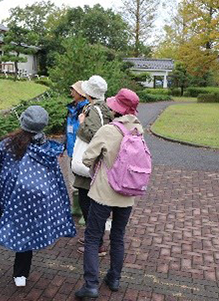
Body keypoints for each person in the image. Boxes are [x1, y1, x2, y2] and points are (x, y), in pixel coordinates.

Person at [0, 106, 76, 289]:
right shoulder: (47, 149)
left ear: (23, 122)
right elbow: (54, 179)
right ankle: (20, 275)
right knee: (27, 232)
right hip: (31, 200)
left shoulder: (8, 144)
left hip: (7, 197)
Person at [75, 88, 142, 299]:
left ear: (116, 108)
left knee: (93, 238)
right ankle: (114, 278)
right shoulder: (139, 130)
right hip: (127, 193)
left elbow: (87, 158)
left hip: (104, 192)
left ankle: (91, 285)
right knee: (118, 237)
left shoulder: (108, 130)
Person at [72, 75, 113, 255]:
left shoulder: (94, 110)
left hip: (89, 162)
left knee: (87, 201)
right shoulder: (103, 108)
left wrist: (81, 124)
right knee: (90, 201)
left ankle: (96, 243)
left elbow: (95, 135)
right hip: (96, 162)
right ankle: (93, 237)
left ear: (89, 93)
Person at [65, 81, 88, 218]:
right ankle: (76, 208)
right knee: (72, 179)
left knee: (82, 181)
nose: (71, 93)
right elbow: (67, 129)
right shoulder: (71, 108)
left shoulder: (86, 110)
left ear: (81, 93)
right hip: (70, 149)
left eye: (73, 90)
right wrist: (64, 145)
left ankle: (84, 211)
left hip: (81, 150)